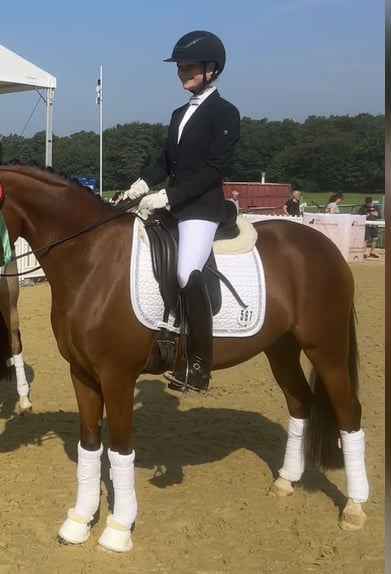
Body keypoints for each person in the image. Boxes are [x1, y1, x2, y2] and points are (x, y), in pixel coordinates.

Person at [117, 30, 240, 393]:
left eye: (189, 66)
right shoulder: (178, 113)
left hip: (201, 210)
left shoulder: (225, 112)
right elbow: (163, 162)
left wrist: (168, 196)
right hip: (173, 205)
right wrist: (141, 185)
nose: (182, 71)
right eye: (180, 66)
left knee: (187, 271)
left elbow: (214, 169)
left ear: (211, 68)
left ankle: (200, 366)